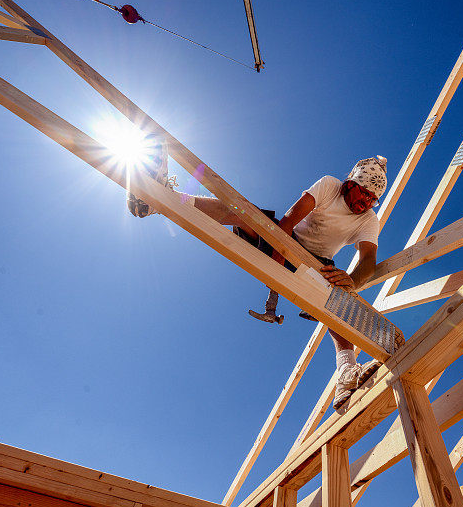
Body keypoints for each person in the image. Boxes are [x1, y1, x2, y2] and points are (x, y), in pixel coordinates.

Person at [128, 156, 388, 410]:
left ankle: (346, 368)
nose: (365, 203)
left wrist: (351, 280)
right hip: (285, 237)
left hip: (318, 263)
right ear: (349, 185)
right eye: (363, 194)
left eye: (372, 200)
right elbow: (289, 219)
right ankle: (167, 201)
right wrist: (277, 258)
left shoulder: (368, 220)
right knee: (244, 213)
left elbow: (368, 261)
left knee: (339, 299)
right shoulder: (330, 185)